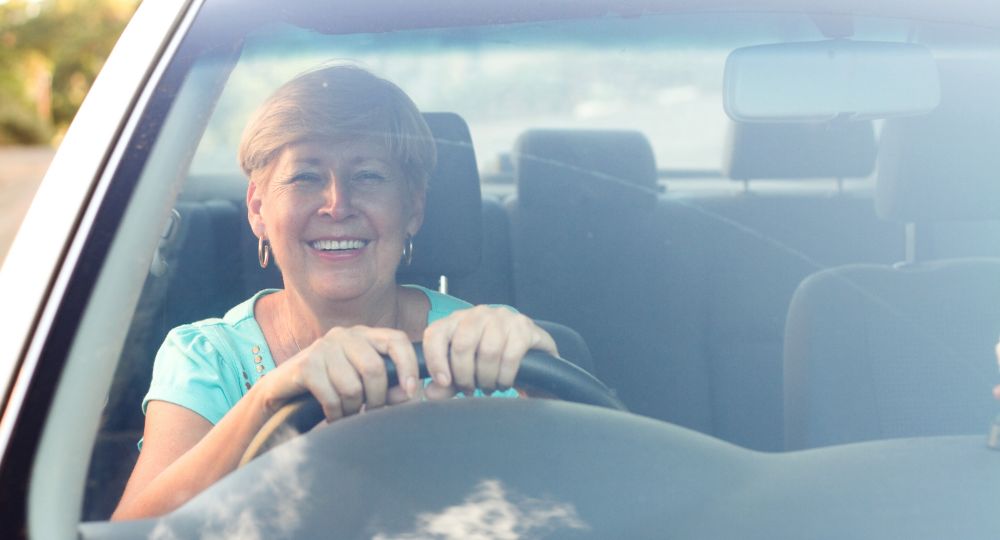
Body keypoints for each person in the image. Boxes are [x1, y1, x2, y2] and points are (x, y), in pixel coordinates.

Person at [111, 65, 558, 520]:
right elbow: (133, 531)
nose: (337, 205)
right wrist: (269, 399)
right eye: (306, 177)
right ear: (258, 209)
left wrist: (541, 390)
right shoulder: (208, 357)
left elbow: (575, 509)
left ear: (414, 207)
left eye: (367, 176)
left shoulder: (487, 348)